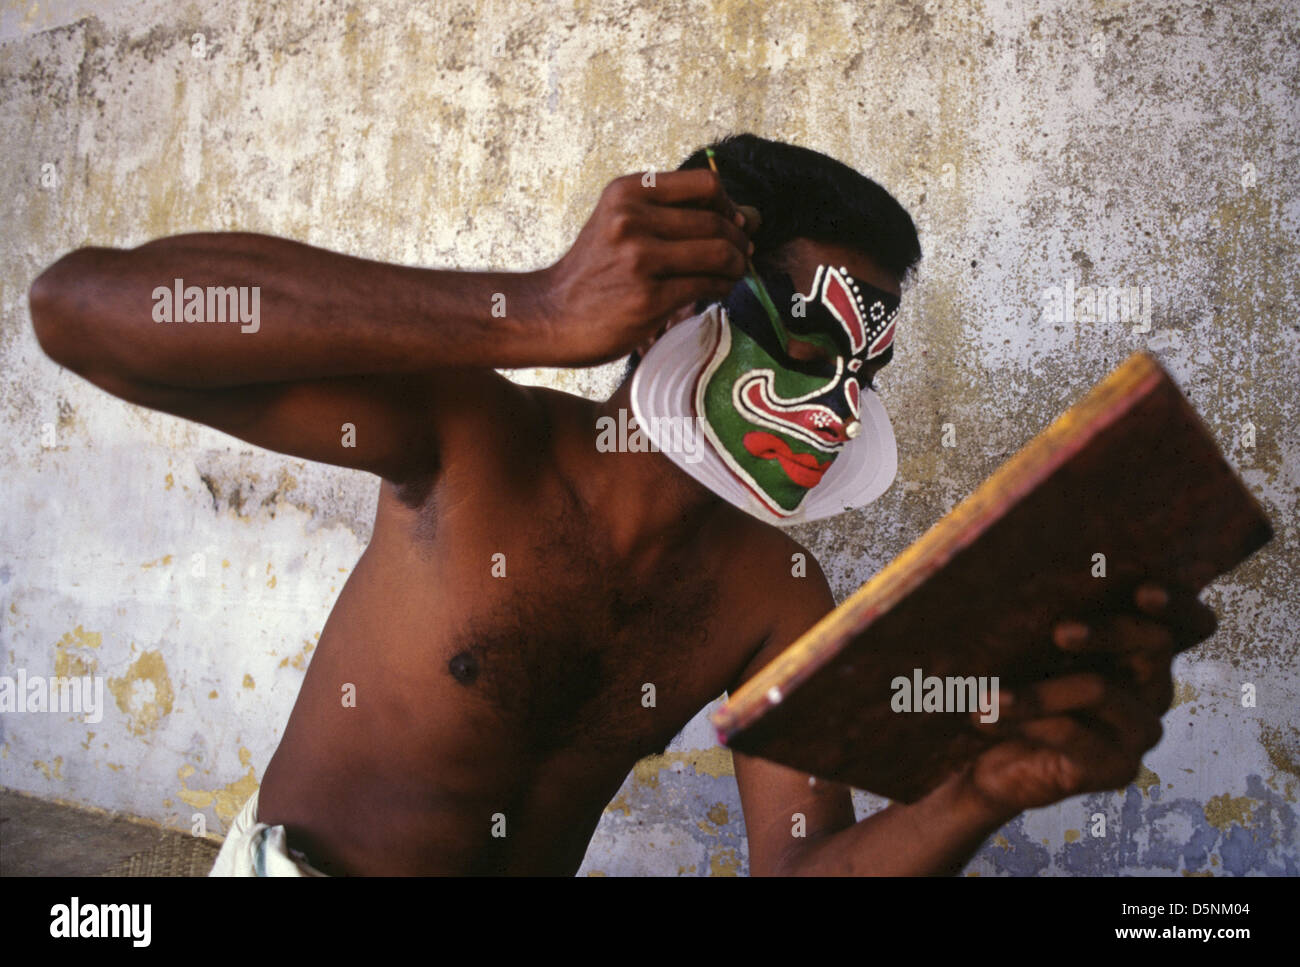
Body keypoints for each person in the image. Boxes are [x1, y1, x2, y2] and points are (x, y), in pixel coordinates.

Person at [28, 134, 1215, 875]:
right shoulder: (470, 440)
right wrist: (530, 309)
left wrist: (981, 790)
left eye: (867, 372)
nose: (838, 404)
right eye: (813, 344)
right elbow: (84, 310)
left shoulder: (774, 590)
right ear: (680, 296)